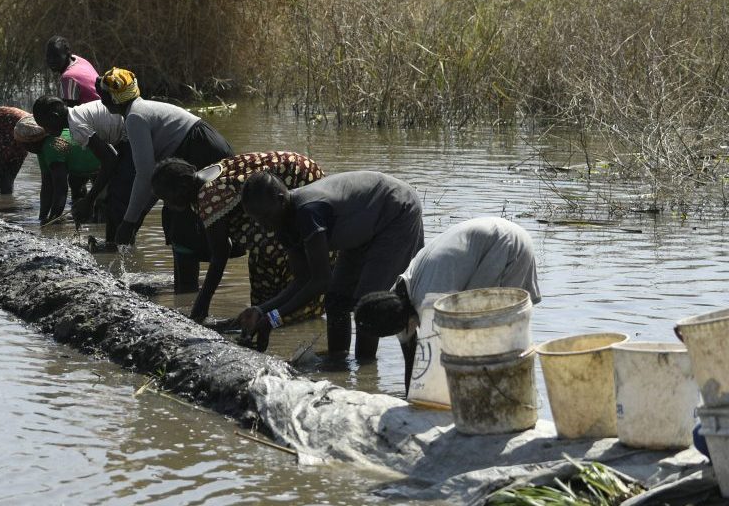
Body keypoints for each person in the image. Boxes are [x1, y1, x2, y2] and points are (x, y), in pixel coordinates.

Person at [236, 170, 424, 357]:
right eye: (257, 220)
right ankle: (338, 363)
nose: (263, 225)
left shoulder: (308, 212)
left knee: (367, 308)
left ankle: (365, 372)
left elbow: (321, 280)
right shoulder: (280, 223)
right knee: (336, 301)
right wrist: (260, 310)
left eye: (266, 217)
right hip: (362, 226)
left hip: (396, 212)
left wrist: (273, 319)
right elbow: (302, 280)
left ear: (280, 200)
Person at [353, 217, 541, 392]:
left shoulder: (430, 299)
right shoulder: (398, 295)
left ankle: (504, 397)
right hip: (489, 237)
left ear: (407, 321)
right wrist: (411, 399)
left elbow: (442, 352)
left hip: (505, 244)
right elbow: (413, 360)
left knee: (495, 334)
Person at [151, 152, 326, 325]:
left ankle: (282, 319)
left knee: (273, 258)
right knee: (264, 261)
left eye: (167, 198)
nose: (168, 205)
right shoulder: (204, 176)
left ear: (182, 188)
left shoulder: (207, 195)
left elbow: (220, 254)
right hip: (299, 170)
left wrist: (200, 307)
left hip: (298, 179)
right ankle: (268, 317)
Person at [100, 67, 234, 289]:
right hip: (201, 145)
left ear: (115, 98)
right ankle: (185, 290)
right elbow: (154, 179)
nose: (101, 98)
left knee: (182, 221)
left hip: (201, 150)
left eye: (104, 94)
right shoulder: (138, 110)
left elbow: (144, 175)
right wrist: (139, 214)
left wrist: (128, 221)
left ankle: (188, 291)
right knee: (179, 219)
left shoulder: (134, 117)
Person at [32, 94, 128, 245]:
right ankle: (113, 247)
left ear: (54, 116)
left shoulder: (76, 125)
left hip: (130, 135)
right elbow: (112, 155)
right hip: (126, 136)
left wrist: (89, 200)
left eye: (44, 125)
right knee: (114, 196)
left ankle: (115, 248)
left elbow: (110, 161)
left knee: (117, 197)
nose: (46, 131)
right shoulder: (77, 114)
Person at [12, 112, 101, 225]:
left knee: (104, 211)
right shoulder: (43, 149)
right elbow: (47, 186)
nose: (22, 147)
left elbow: (60, 188)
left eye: (22, 144)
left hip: (101, 166)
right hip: (91, 166)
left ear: (30, 143)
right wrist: (42, 217)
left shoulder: (52, 146)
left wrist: (54, 218)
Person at [45, 36, 100, 107]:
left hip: (98, 116)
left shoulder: (68, 77)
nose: (51, 60)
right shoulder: (78, 60)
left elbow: (70, 113)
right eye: (48, 56)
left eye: (56, 56)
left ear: (67, 53)